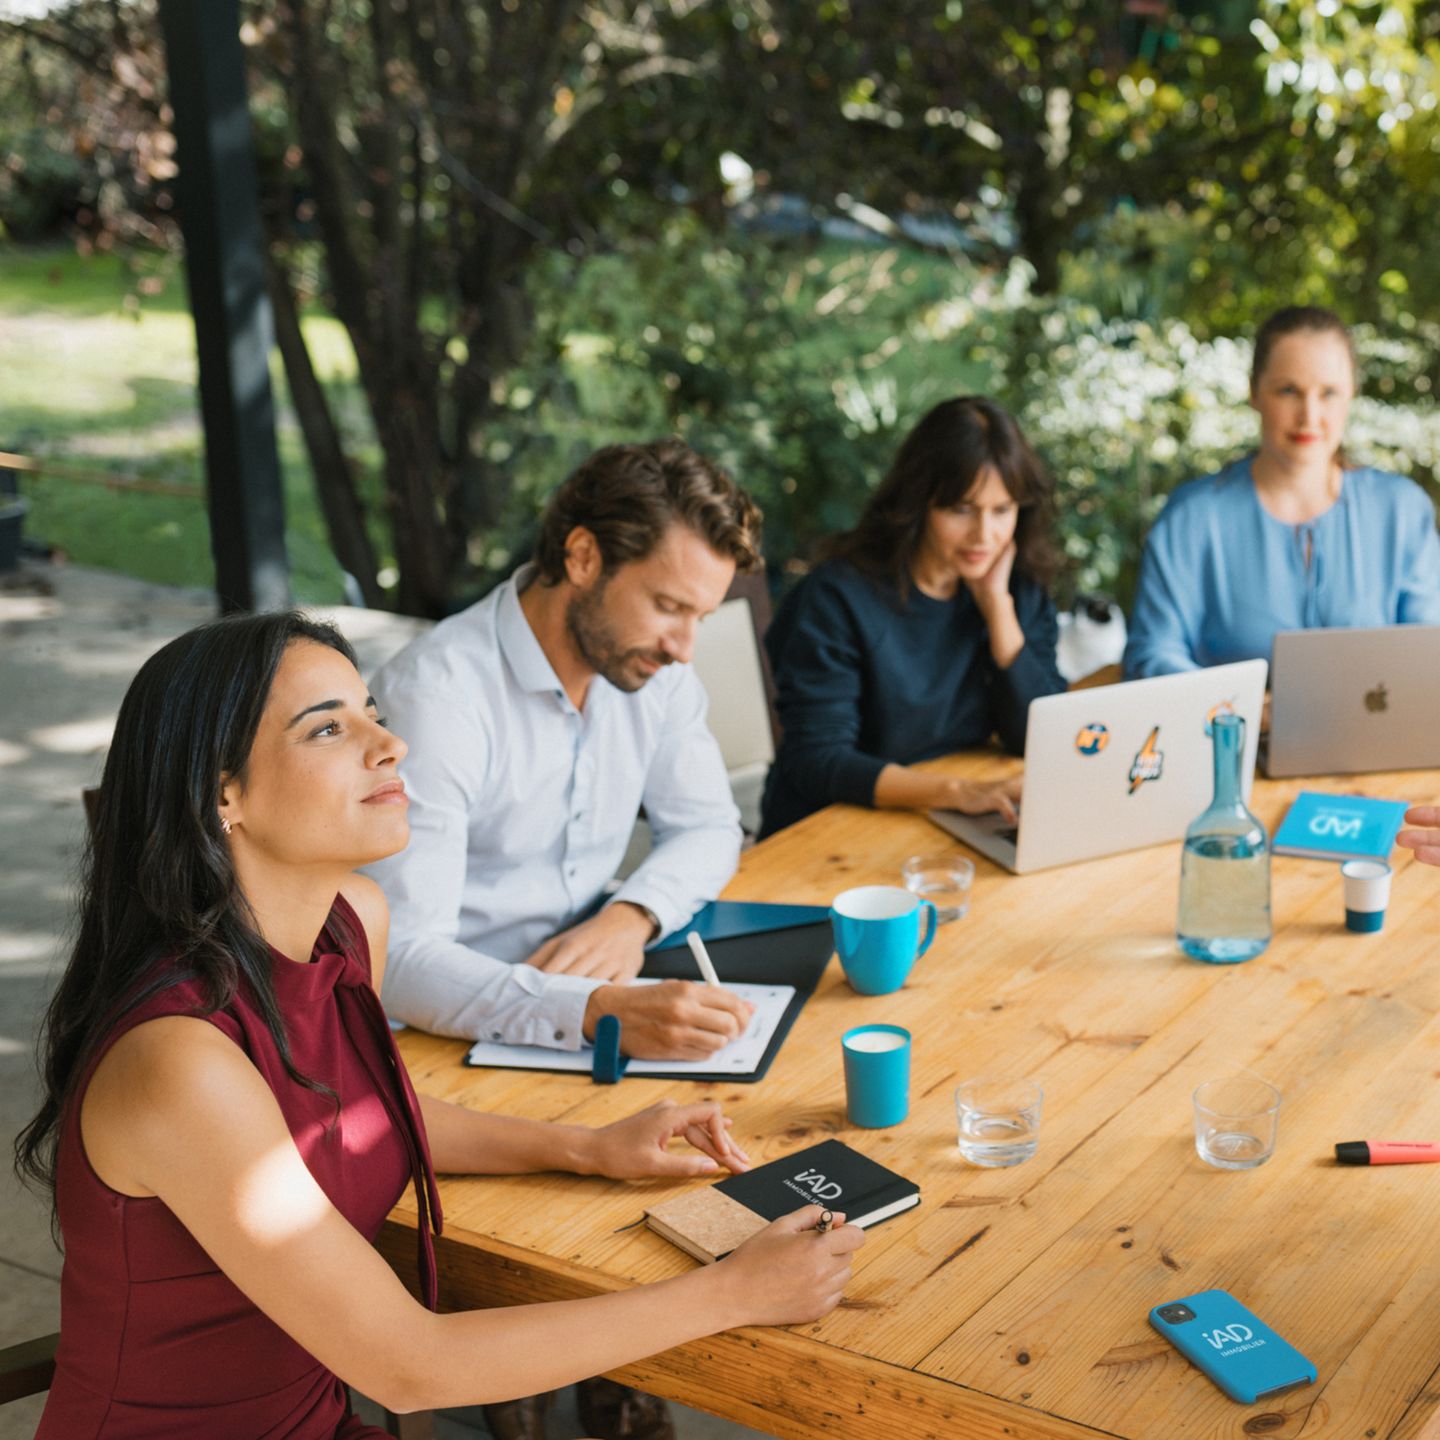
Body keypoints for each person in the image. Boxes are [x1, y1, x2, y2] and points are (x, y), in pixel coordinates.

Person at [16, 612, 864, 1440]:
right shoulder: (180, 1062)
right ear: (222, 794)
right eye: (326, 730)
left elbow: (365, 1113)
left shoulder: (352, 919)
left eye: (373, 717)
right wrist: (730, 1294)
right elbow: (410, 1366)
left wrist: (585, 1147)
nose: (391, 746)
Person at [365, 440, 760, 1062]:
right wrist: (589, 1011)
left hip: (592, 993)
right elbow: (398, 957)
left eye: (701, 617)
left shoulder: (652, 669)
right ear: (582, 558)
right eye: (668, 606)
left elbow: (710, 826)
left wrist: (630, 917)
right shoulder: (436, 701)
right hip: (441, 1035)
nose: (685, 648)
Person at [759, 395, 1067, 839]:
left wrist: (998, 610)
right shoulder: (834, 599)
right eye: (961, 509)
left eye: (1002, 510)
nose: (985, 535)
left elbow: (1041, 741)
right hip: (831, 831)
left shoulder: (1016, 589)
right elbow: (819, 759)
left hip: (949, 823)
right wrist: (957, 792)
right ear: (919, 502)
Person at [1124, 305, 1440, 678]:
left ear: (1352, 393)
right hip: (1234, 733)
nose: (1309, 415)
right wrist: (1237, 704)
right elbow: (1154, 652)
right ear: (1255, 392)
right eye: (1288, 391)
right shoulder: (1192, 517)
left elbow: (1426, 654)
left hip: (1381, 736)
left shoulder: (1401, 510)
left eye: (1329, 393)